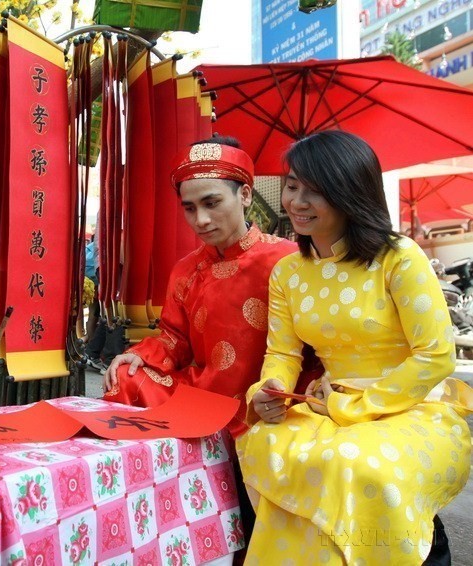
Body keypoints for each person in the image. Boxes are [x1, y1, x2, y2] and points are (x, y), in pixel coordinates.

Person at [239, 131, 472, 565]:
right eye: (292, 185)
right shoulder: (289, 272)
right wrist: (270, 389)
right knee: (267, 444)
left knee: (366, 469)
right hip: (332, 404)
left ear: (351, 194)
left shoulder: (399, 258)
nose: (297, 202)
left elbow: (436, 355)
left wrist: (356, 407)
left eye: (317, 190)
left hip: (411, 405)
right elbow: (285, 353)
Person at [103, 137, 317, 438]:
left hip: (271, 397)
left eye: (211, 203)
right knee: (126, 376)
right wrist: (142, 354)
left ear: (244, 195)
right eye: (189, 208)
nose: (200, 220)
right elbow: (174, 338)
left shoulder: (288, 260)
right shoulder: (185, 270)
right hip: (203, 397)